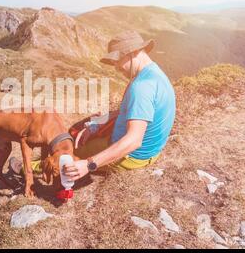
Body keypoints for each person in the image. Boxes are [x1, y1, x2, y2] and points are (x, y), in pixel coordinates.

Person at [11, 30, 176, 184]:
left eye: (118, 61)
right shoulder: (154, 73)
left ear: (133, 52)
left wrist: (88, 165)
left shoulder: (141, 87)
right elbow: (129, 111)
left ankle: (31, 169)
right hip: (150, 152)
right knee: (79, 131)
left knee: (67, 157)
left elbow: (133, 140)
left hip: (132, 156)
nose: (117, 68)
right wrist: (96, 123)